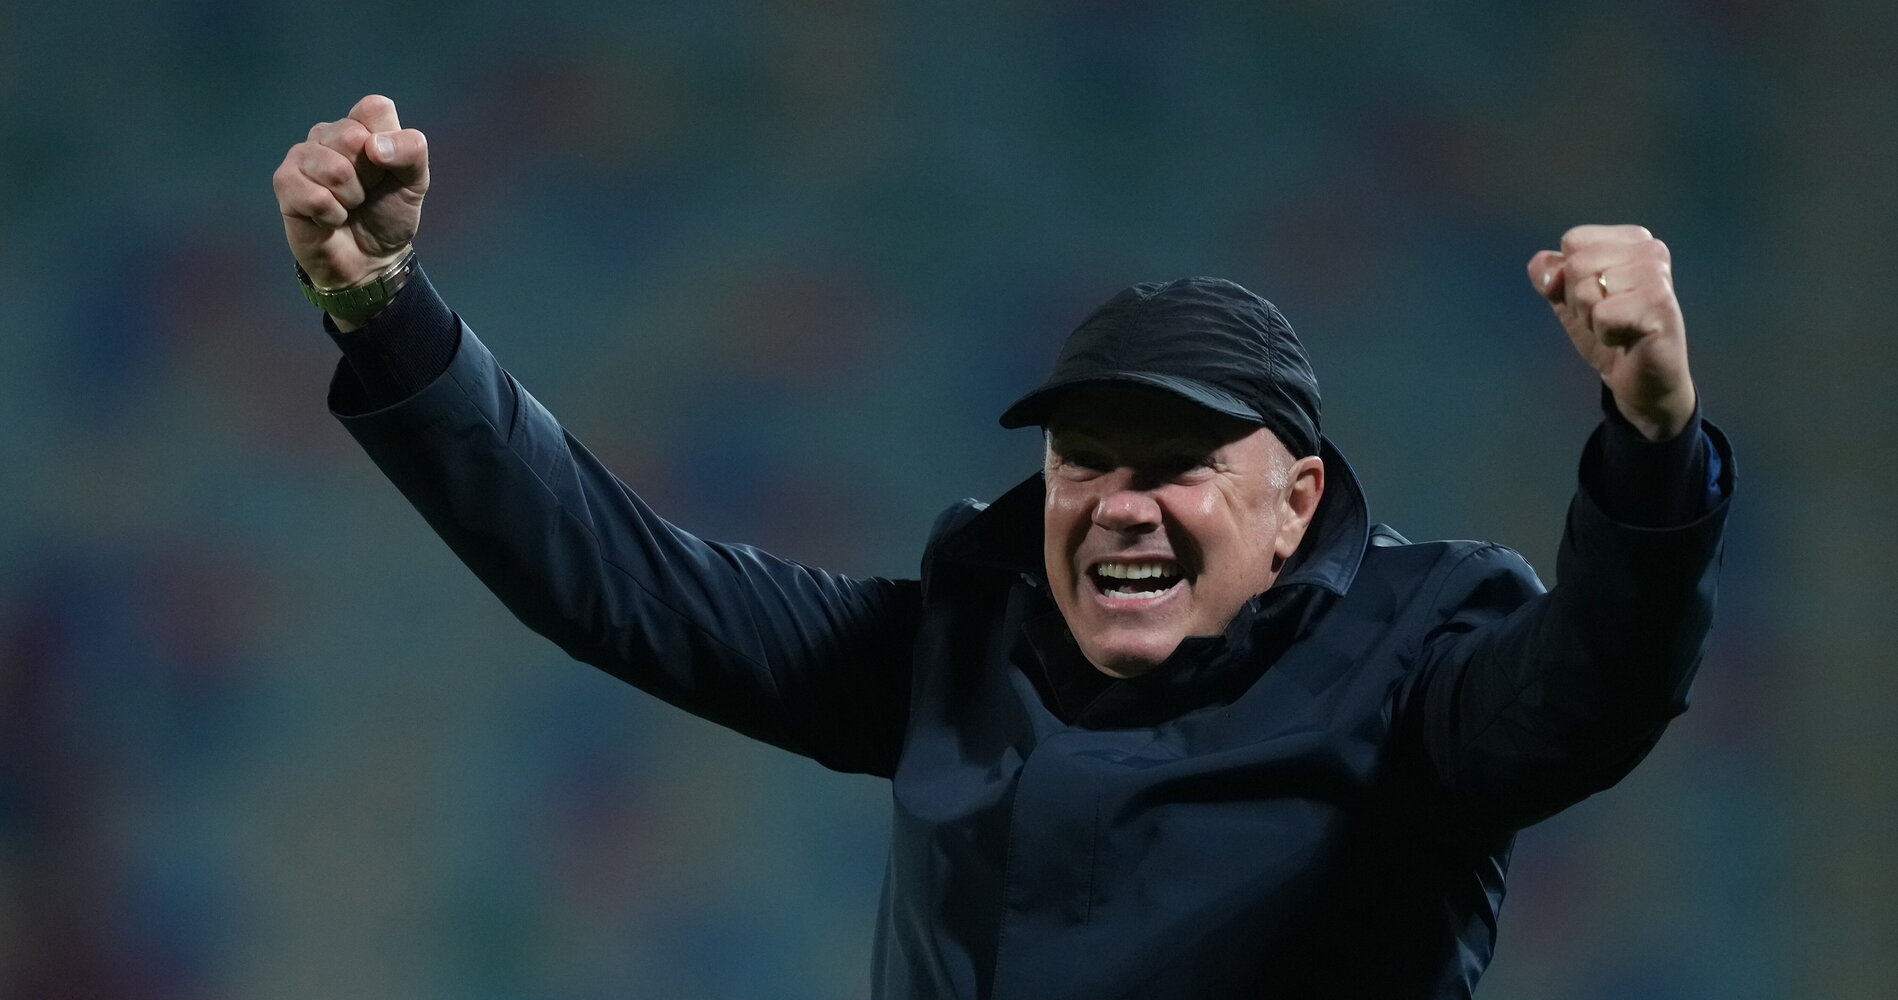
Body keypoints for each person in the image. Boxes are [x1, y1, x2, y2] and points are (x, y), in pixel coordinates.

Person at [274, 95, 1733, 998]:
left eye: (1176, 467)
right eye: (1084, 461)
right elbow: (619, 579)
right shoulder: (963, 640)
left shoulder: (1419, 666)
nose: (1120, 503)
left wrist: (1651, 439)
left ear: (1296, 503)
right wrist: (382, 308)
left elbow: (1592, 691)